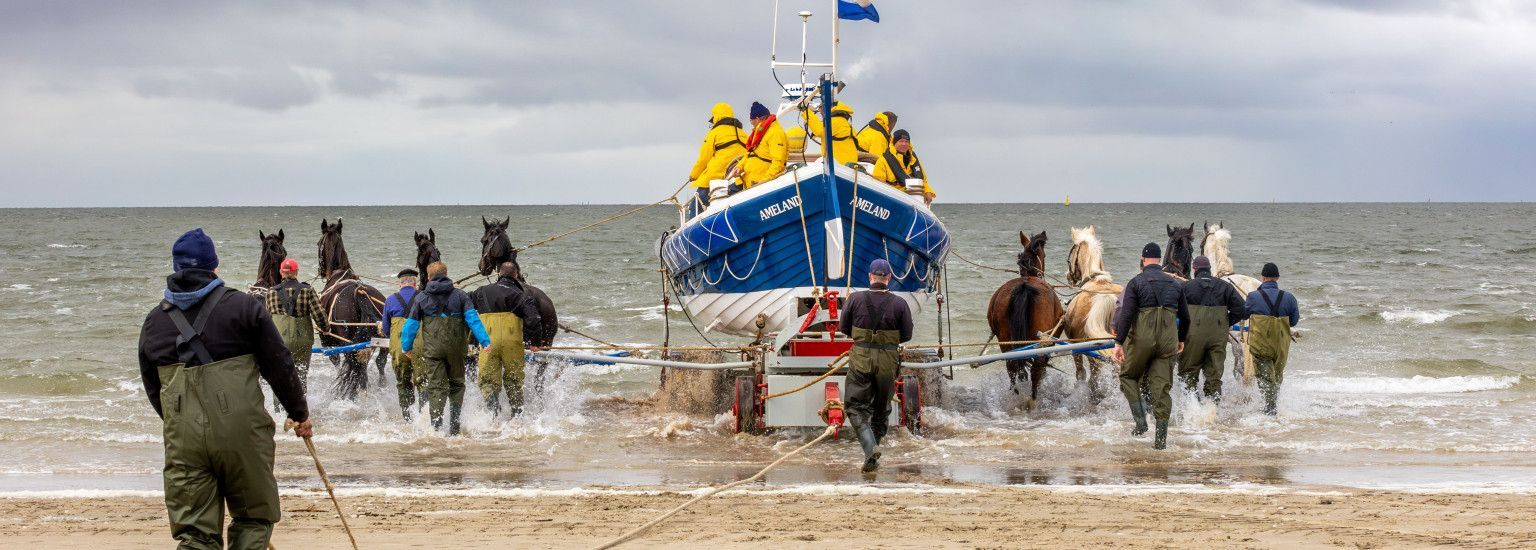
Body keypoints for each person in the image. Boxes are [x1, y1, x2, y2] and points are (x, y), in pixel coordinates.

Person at [137, 228, 311, 549]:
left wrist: (183, 425)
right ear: (214, 266)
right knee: (252, 519)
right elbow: (279, 365)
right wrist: (299, 413)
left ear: (176, 269)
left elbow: (154, 389)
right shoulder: (244, 308)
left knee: (195, 535)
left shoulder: (153, 322)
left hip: (184, 439)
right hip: (241, 435)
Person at [1111, 243, 1190, 450]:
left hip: (1142, 340)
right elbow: (1186, 318)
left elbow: (1126, 315)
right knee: (1161, 389)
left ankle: (1140, 422)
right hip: (1167, 342)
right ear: (1159, 260)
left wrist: (1119, 342)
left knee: (1128, 376)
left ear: (1143, 260)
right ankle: (1160, 443)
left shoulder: (1136, 282)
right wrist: (1180, 339)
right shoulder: (1175, 284)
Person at [837, 258, 914, 473]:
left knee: (854, 406)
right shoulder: (900, 303)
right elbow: (907, 335)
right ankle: (873, 453)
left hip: (861, 358)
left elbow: (844, 328)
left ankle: (870, 450)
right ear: (888, 278)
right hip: (888, 361)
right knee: (881, 410)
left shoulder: (854, 299)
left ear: (870, 277)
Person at [401, 261, 492, 435]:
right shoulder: (461, 296)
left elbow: (410, 325)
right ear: (446, 273)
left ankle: (436, 428)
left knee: (436, 387)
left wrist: (406, 346)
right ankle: (455, 428)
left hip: (433, 352)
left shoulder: (420, 297)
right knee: (457, 384)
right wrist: (485, 341)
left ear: (428, 277)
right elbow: (473, 320)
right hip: (456, 350)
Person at [470, 261, 544, 416]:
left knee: (488, 380)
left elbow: (465, 305)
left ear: (498, 274)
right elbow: (534, 318)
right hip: (512, 342)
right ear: (516, 275)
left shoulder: (481, 291)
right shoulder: (522, 295)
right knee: (514, 380)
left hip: (487, 342)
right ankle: (516, 416)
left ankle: (494, 414)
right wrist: (535, 342)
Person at [1178, 255, 1249, 401]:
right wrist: (1225, 323)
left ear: (1194, 269)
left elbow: (1173, 309)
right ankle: (1212, 411)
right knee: (1214, 375)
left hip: (1193, 336)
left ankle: (1193, 409)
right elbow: (1242, 310)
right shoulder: (1225, 287)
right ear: (1210, 269)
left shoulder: (1185, 287)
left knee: (1188, 373)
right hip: (1218, 336)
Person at [264, 258, 326, 402]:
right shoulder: (307, 290)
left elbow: (266, 320)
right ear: (296, 272)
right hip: (302, 342)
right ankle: (300, 410)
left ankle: (279, 411)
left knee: (279, 376)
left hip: (279, 342)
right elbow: (320, 316)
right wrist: (325, 328)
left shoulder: (271, 293)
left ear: (281, 272)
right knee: (300, 376)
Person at [1245, 262, 1301, 415]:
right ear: (1277, 278)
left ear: (1262, 278)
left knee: (1265, 379)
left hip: (1261, 345)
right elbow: (1294, 321)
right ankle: (1273, 410)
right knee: (1276, 378)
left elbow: (1243, 314)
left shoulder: (1253, 296)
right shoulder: (1289, 297)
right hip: (1281, 347)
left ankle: (1270, 412)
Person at [687, 102, 747, 209]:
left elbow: (703, 159)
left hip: (716, 178)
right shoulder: (743, 134)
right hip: (738, 178)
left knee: (696, 205)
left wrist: (693, 175)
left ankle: (693, 225)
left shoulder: (714, 133)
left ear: (716, 117)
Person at [382, 268, 421, 419]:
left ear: (400, 283)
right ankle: (424, 417)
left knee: (403, 383)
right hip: (420, 348)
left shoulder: (391, 300)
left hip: (399, 350)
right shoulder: (423, 297)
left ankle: (408, 418)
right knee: (423, 382)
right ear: (415, 283)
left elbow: (386, 329)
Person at [871, 129, 936, 204]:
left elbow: (922, 180)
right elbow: (878, 184)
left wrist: (928, 191)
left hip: (914, 200)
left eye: (906, 142)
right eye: (901, 141)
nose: (904, 144)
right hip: (893, 200)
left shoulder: (913, 160)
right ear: (894, 142)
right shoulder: (883, 161)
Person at [737, 101, 788, 190]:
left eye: (751, 121)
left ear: (757, 119)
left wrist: (765, 180)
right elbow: (750, 154)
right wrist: (739, 167)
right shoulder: (761, 132)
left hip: (759, 184)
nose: (752, 124)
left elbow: (778, 161)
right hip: (747, 180)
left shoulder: (775, 133)